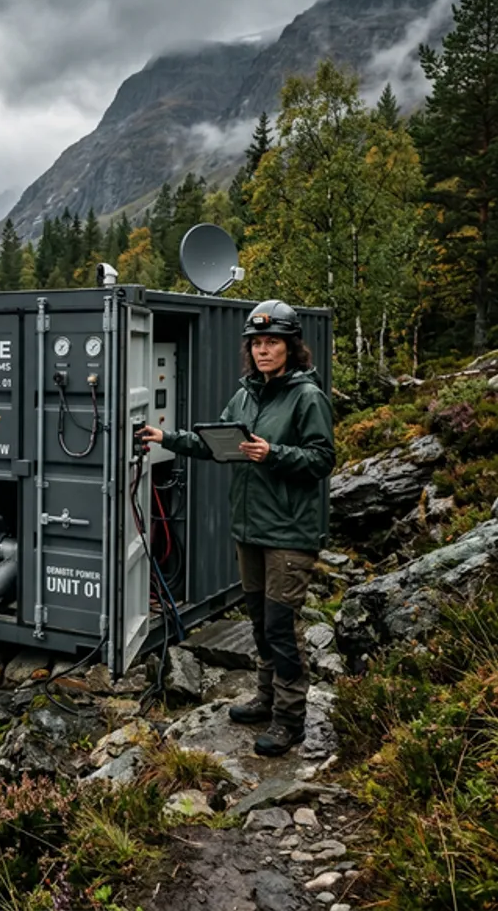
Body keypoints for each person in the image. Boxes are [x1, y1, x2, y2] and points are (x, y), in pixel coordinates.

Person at [138, 299, 335, 757]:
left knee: (282, 627)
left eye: (273, 342)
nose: (263, 350)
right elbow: (215, 442)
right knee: (262, 624)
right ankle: (266, 700)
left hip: (289, 532)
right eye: (257, 343)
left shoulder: (307, 397)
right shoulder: (246, 394)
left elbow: (323, 459)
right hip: (250, 528)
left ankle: (290, 722)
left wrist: (276, 454)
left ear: (291, 346)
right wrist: (165, 437)